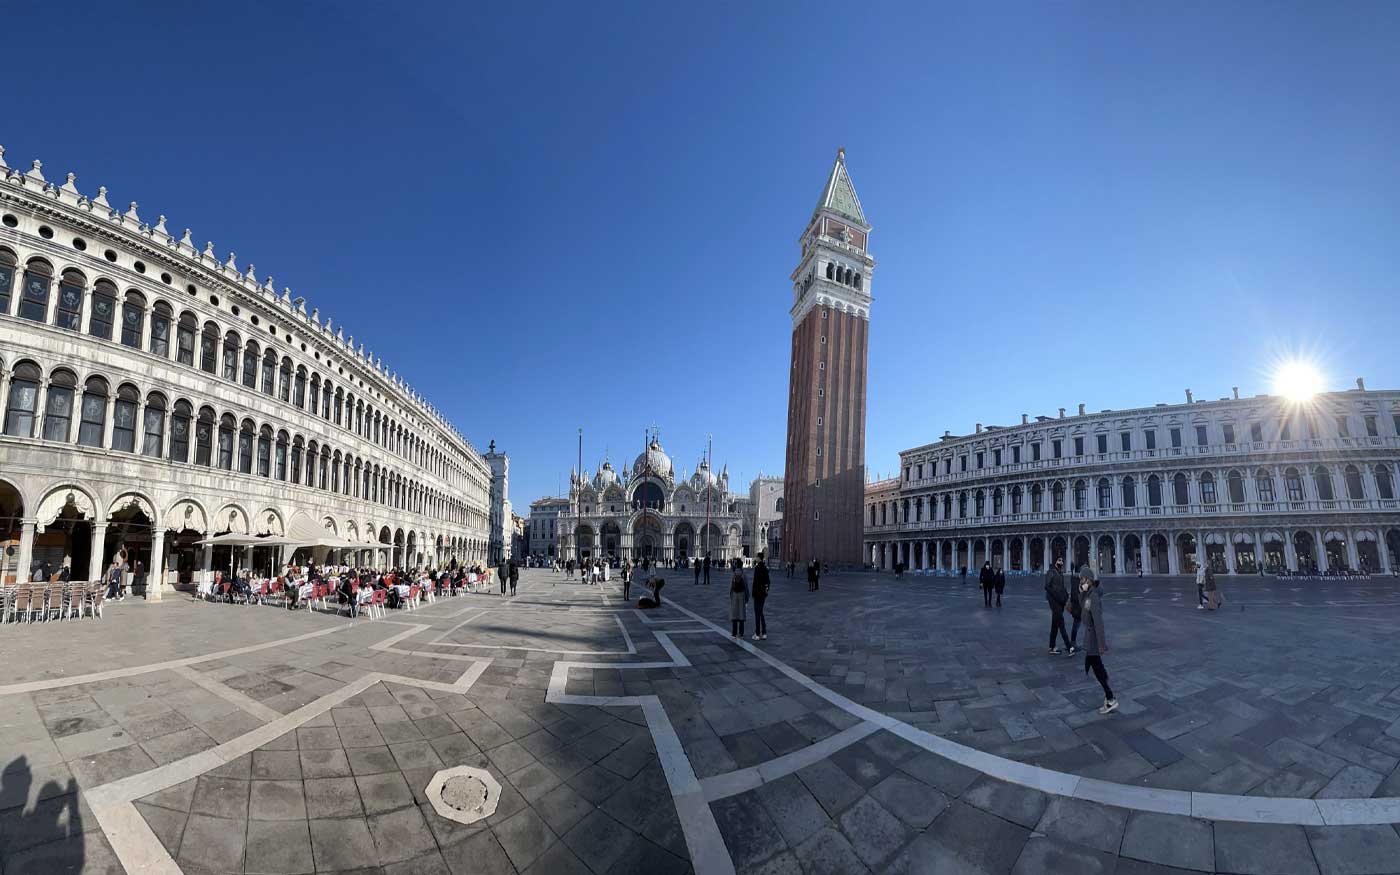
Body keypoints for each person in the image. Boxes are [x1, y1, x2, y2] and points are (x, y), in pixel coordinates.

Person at [1078, 567, 1117, 713]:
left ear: (1089, 580)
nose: (1081, 582)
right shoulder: (1089, 595)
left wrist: (1102, 644)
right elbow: (1083, 608)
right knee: (1096, 666)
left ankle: (1110, 698)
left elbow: (1098, 622)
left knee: (1096, 667)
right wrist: (1081, 592)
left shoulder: (1093, 597)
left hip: (1093, 639)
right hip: (1090, 638)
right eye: (1080, 579)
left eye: (1083, 579)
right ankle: (1108, 691)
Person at [1045, 558, 1072, 654]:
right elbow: (1047, 586)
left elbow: (1062, 587)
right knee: (1061, 624)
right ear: (1055, 561)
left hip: (1060, 601)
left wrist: (1065, 596)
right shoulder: (1051, 572)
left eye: (1062, 561)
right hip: (1054, 601)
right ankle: (1069, 647)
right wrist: (1057, 595)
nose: (1062, 562)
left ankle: (1051, 647)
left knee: (1055, 624)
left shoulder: (1060, 573)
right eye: (1059, 560)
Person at [751, 555, 770, 641]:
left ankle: (757, 633)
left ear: (760, 558)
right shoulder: (765, 568)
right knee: (761, 612)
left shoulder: (757, 568)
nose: (756, 558)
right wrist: (766, 590)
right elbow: (768, 582)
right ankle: (764, 632)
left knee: (757, 613)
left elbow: (755, 582)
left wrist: (753, 593)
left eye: (757, 557)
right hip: (763, 594)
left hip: (757, 594)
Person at [729, 564, 749, 639]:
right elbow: (746, 587)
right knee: (741, 615)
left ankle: (734, 633)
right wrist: (747, 598)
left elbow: (731, 586)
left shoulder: (734, 574)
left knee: (734, 615)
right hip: (742, 596)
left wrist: (731, 596)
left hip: (734, 596)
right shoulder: (743, 574)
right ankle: (741, 633)